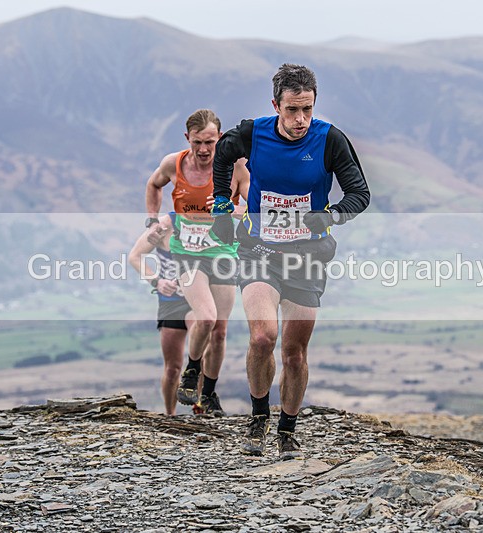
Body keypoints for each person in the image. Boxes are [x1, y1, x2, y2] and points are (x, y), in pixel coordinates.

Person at [211, 64, 371, 459]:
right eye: (292, 110)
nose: (301, 120)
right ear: (275, 105)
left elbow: (360, 194)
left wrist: (330, 215)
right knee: (263, 336)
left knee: (294, 352)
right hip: (259, 250)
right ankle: (258, 416)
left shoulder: (329, 140)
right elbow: (222, 156)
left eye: (308, 109)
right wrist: (220, 202)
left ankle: (287, 430)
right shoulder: (253, 132)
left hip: (306, 256)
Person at [145, 109, 249, 416]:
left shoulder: (235, 168)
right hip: (187, 254)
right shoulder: (172, 164)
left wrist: (229, 211)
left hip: (222, 254)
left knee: (220, 331)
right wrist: (151, 218)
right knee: (206, 318)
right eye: (197, 142)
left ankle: (209, 393)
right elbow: (154, 185)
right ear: (187, 138)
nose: (204, 150)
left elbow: (253, 207)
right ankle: (192, 373)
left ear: (220, 137)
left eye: (210, 142)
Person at [128, 213, 202, 416]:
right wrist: (157, 281)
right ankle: (170, 413)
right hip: (171, 301)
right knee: (172, 368)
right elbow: (134, 256)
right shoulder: (163, 225)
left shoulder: (205, 220)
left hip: (197, 298)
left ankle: (200, 406)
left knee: (201, 348)